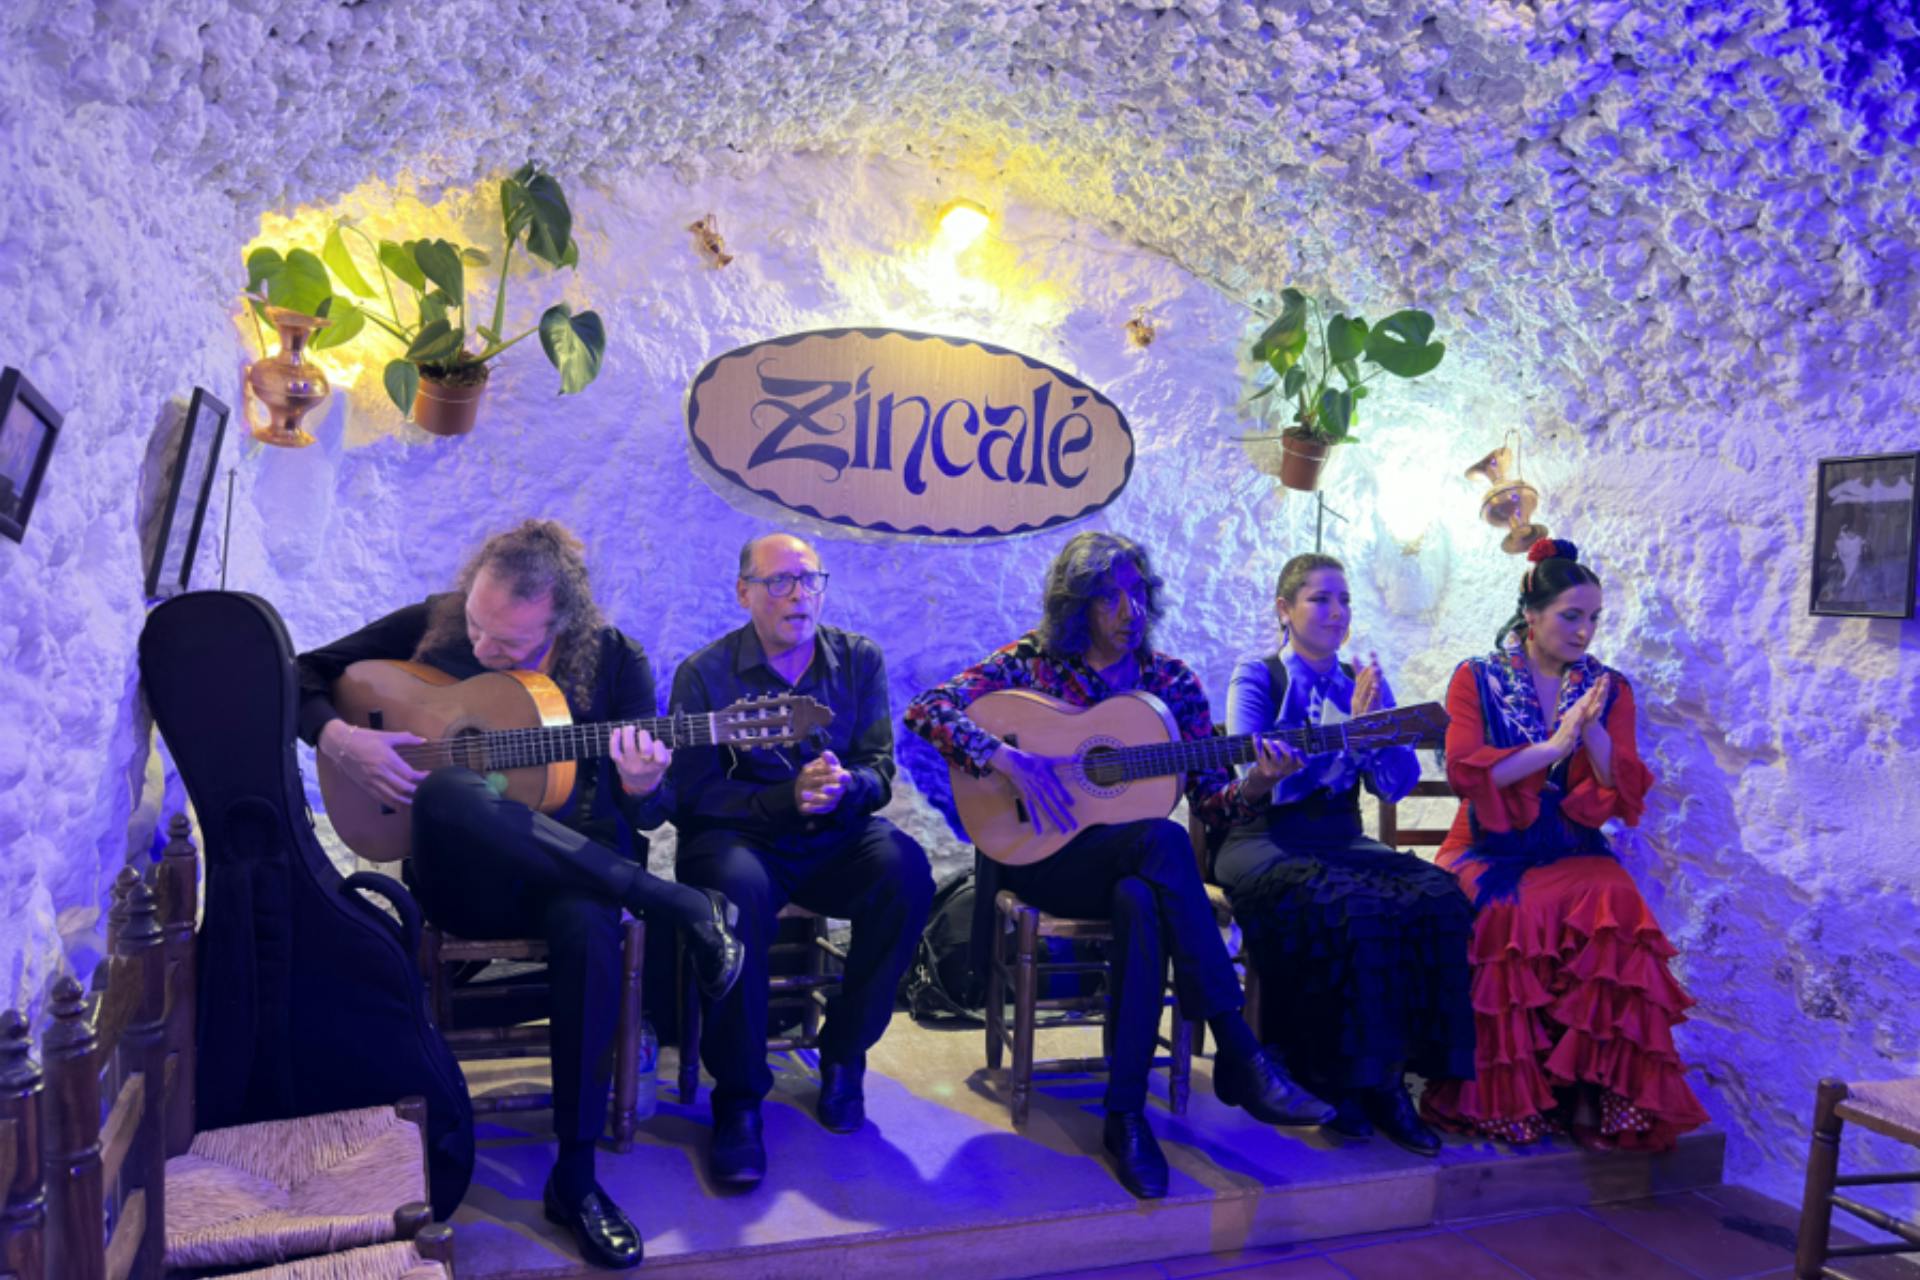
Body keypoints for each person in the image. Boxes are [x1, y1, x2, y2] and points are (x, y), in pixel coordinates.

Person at [296, 519, 744, 1271]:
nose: (480, 646)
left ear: (559, 624)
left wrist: (642, 784)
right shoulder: (439, 624)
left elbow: (651, 813)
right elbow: (300, 672)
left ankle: (575, 1176)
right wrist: (343, 741)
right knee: (446, 791)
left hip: (574, 876)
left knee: (589, 927)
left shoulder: (614, 662)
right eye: (477, 621)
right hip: (463, 879)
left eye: (507, 642)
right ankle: (675, 905)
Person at [905, 530, 1335, 1201]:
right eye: (1109, 597)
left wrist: (1254, 786)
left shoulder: (1173, 683)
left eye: (1137, 594)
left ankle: (1124, 1114)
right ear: (1076, 607)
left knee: (1143, 893)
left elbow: (1214, 806)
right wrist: (1008, 759)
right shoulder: (1035, 664)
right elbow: (927, 709)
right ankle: (1238, 1053)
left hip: (1129, 866)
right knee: (1161, 846)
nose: (1128, 611)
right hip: (1044, 860)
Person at [1419, 538, 1710, 1152]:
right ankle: (1509, 1100)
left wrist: (1592, 728)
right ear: (1532, 613)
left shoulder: (1608, 686)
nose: (1585, 631)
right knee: (1504, 912)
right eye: (1571, 616)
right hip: (1490, 846)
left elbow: (1619, 785)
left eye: (1594, 618)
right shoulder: (1478, 678)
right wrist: (1553, 748)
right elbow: (1471, 774)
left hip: (1569, 843)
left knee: (1616, 904)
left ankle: (1590, 1093)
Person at [668, 533, 935, 1188]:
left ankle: (844, 1051)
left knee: (906, 871)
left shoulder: (858, 660)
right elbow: (693, 796)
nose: (799, 595)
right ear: (745, 593)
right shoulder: (704, 675)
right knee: (734, 894)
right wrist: (782, 799)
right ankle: (738, 1100)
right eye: (782, 581)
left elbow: (880, 768)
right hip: (738, 839)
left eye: (811, 580)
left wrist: (848, 787)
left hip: (833, 833)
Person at [1215, 553, 1475, 1157]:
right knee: (1346, 905)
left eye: (1344, 600)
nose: (1337, 612)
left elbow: (1395, 784)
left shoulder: (1362, 680)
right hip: (1263, 837)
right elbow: (1247, 774)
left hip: (1340, 835)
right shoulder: (1258, 675)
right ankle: (1339, 1078)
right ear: (1285, 609)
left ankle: (1391, 1080)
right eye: (1320, 599)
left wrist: (1373, 729)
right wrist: (1302, 756)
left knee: (1438, 896)